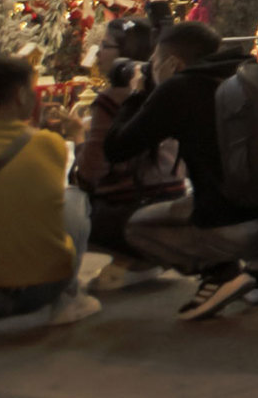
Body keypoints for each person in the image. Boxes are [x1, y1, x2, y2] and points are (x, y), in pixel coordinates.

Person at [107, 22, 258, 318]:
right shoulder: (249, 72)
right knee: (242, 174)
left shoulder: (179, 88)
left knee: (138, 226)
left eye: (155, 61)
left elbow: (116, 149)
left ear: (173, 63)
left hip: (235, 225)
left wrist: (137, 94)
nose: (151, 68)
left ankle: (219, 274)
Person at [0, 55, 97, 336]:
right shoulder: (50, 144)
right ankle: (67, 300)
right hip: (43, 291)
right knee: (75, 199)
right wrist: (77, 135)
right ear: (21, 95)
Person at [72, 16, 186, 294]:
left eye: (105, 45)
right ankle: (141, 260)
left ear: (125, 54)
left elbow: (90, 174)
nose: (97, 53)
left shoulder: (112, 99)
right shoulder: (170, 90)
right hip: (175, 204)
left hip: (129, 214)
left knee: (63, 206)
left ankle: (131, 257)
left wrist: (76, 137)